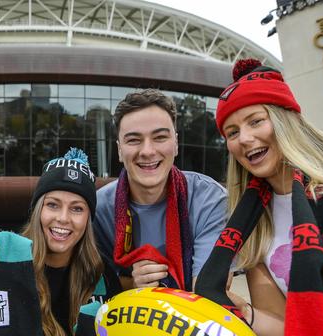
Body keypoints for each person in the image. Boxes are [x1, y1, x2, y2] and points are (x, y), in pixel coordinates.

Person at [196, 58, 323, 336]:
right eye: (232, 132)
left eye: (256, 121)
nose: (244, 138)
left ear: (284, 120)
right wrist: (234, 307)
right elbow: (280, 322)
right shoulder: (250, 221)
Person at [0, 148, 121, 336]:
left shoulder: (103, 275)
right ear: (38, 210)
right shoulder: (4, 263)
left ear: (88, 219)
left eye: (77, 209)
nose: (63, 218)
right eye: (53, 205)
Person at [94, 89, 227, 291]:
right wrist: (132, 286)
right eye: (133, 140)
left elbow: (210, 290)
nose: (147, 151)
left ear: (176, 143)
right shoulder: (97, 208)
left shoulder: (210, 199)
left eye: (160, 137)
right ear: (120, 150)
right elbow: (91, 284)